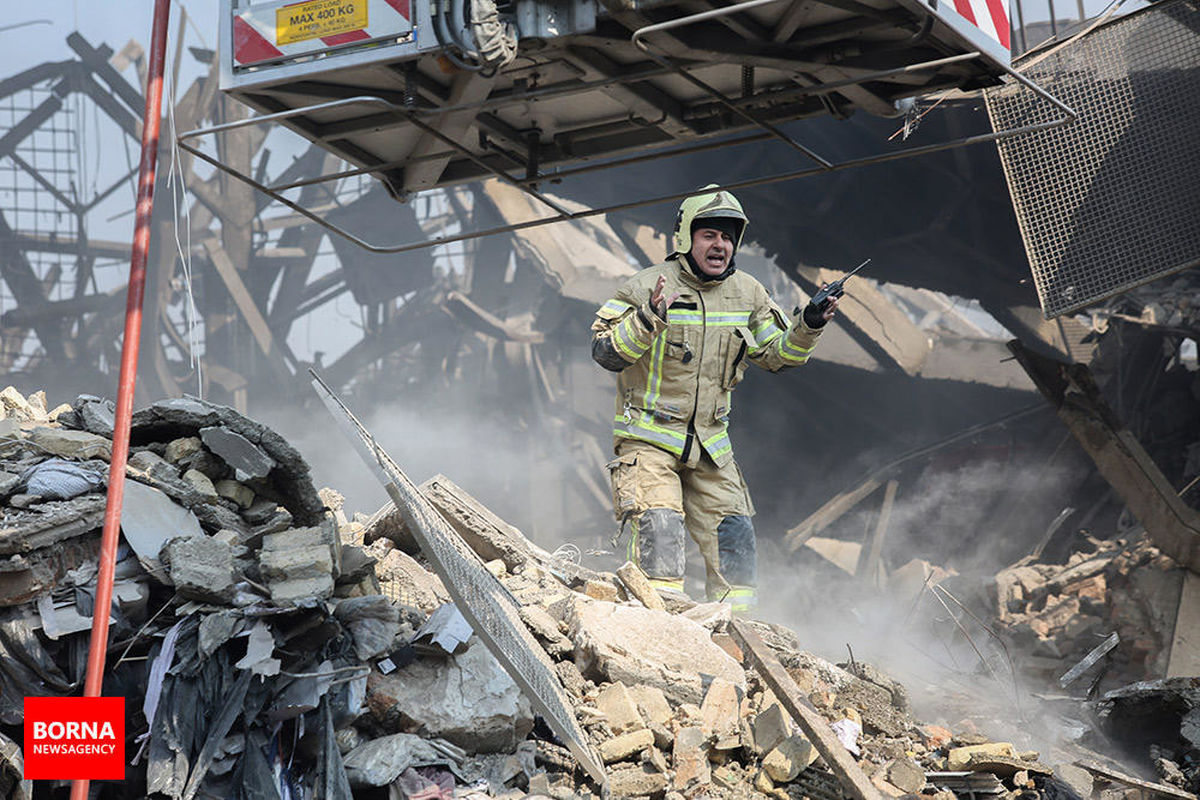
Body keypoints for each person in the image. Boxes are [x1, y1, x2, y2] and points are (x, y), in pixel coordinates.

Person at [590, 184, 839, 611]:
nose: (720, 244)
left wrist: (809, 325)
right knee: (659, 533)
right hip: (648, 441)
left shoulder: (749, 293)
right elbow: (604, 352)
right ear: (686, 236)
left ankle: (734, 637)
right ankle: (658, 632)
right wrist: (648, 318)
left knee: (736, 541)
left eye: (728, 236)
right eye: (709, 234)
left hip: (710, 445)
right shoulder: (646, 286)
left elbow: (778, 356)